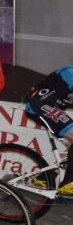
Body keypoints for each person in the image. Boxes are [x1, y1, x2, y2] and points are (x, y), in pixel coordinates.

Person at [24, 66, 73, 194]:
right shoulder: (69, 72)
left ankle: (46, 177)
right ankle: (67, 184)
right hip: (38, 105)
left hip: (50, 106)